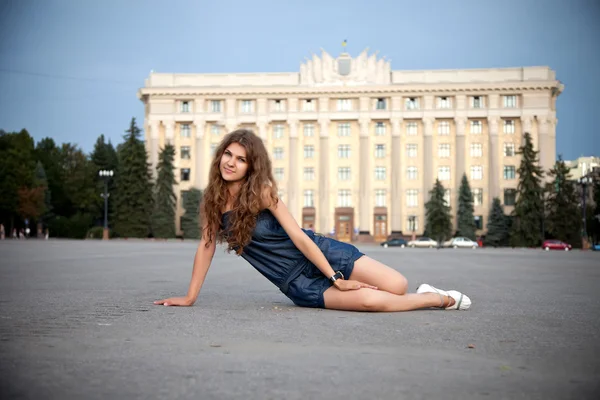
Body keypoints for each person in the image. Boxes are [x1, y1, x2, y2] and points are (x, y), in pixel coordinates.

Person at [154, 129, 471, 312]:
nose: (231, 163)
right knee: (376, 303)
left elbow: (300, 238)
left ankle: (418, 291)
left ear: (251, 167)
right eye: (228, 154)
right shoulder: (212, 200)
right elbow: (207, 247)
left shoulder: (263, 193)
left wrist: (335, 276)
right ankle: (438, 299)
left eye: (241, 159)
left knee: (398, 285)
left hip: (322, 254)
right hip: (296, 282)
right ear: (220, 155)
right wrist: (190, 296)